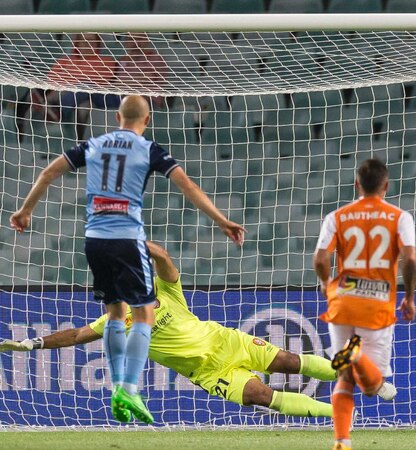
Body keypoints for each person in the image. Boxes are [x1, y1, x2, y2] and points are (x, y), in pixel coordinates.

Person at [10, 95, 246, 424]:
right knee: (144, 312)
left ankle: (118, 385)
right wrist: (222, 220)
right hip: (127, 237)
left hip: (94, 240)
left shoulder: (92, 144)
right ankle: (129, 388)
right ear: (146, 120)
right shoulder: (149, 149)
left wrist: (25, 210)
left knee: (115, 313)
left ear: (118, 117)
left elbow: (48, 173)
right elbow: (187, 185)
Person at [0, 242, 340, 421]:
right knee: (261, 397)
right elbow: (75, 336)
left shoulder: (166, 291)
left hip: (227, 340)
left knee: (289, 360)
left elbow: (162, 256)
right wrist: (32, 344)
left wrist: (132, 241)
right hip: (207, 372)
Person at [313, 157, 416, 450]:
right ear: (386, 186)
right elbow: (410, 259)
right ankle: (356, 354)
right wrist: (409, 297)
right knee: (372, 386)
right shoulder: (400, 217)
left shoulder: (338, 216)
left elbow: (320, 259)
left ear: (357, 184)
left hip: (343, 299)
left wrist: (326, 285)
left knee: (343, 377)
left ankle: (342, 442)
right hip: (377, 302)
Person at [115, 33, 168, 109]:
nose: (135, 43)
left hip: (149, 101)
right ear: (126, 42)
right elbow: (116, 83)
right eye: (131, 39)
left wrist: (123, 81)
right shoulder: (122, 61)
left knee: (135, 100)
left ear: (147, 40)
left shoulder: (156, 59)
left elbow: (146, 78)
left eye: (139, 39)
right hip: (123, 99)